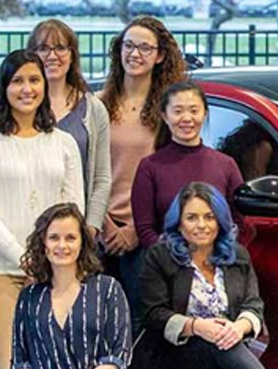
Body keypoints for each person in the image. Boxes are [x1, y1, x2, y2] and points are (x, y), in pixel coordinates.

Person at [0, 50, 84, 369]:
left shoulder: (63, 142)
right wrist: (25, 259)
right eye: (17, 81)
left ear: (45, 85)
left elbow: (73, 212)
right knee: (5, 362)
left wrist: (49, 261)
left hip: (54, 270)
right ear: (3, 87)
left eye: (34, 80)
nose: (26, 89)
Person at [98, 15, 187, 332]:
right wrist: (104, 223)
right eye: (129, 45)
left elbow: (173, 174)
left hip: (147, 232)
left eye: (145, 48)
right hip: (100, 231)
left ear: (160, 55)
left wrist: (137, 228)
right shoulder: (98, 106)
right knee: (101, 324)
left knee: (142, 324)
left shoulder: (168, 111)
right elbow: (87, 170)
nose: (135, 54)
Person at [136, 182, 264, 369]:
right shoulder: (160, 256)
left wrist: (238, 328)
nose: (202, 225)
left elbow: (253, 304)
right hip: (174, 352)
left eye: (209, 217)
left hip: (228, 347)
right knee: (219, 344)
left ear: (220, 222)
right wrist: (197, 327)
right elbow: (153, 314)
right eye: (192, 218)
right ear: (179, 224)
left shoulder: (237, 256)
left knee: (224, 343)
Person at [11, 203, 131, 369]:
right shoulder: (29, 297)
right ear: (43, 243)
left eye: (70, 238)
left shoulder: (108, 289)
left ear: (82, 242)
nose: (62, 246)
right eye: (54, 238)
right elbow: (20, 359)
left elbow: (119, 353)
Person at [28, 19, 112, 241]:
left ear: (72, 54)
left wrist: (90, 228)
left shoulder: (93, 109)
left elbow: (102, 178)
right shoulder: (22, 106)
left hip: (76, 234)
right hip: (27, 227)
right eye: (43, 48)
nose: (52, 56)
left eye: (61, 48)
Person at [132, 81, 244, 248]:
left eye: (194, 111)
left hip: (217, 264)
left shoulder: (226, 164)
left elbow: (238, 221)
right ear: (164, 115)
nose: (187, 118)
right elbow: (145, 229)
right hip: (165, 265)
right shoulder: (150, 166)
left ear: (205, 114)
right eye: (177, 111)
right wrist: (171, 258)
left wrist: (218, 256)